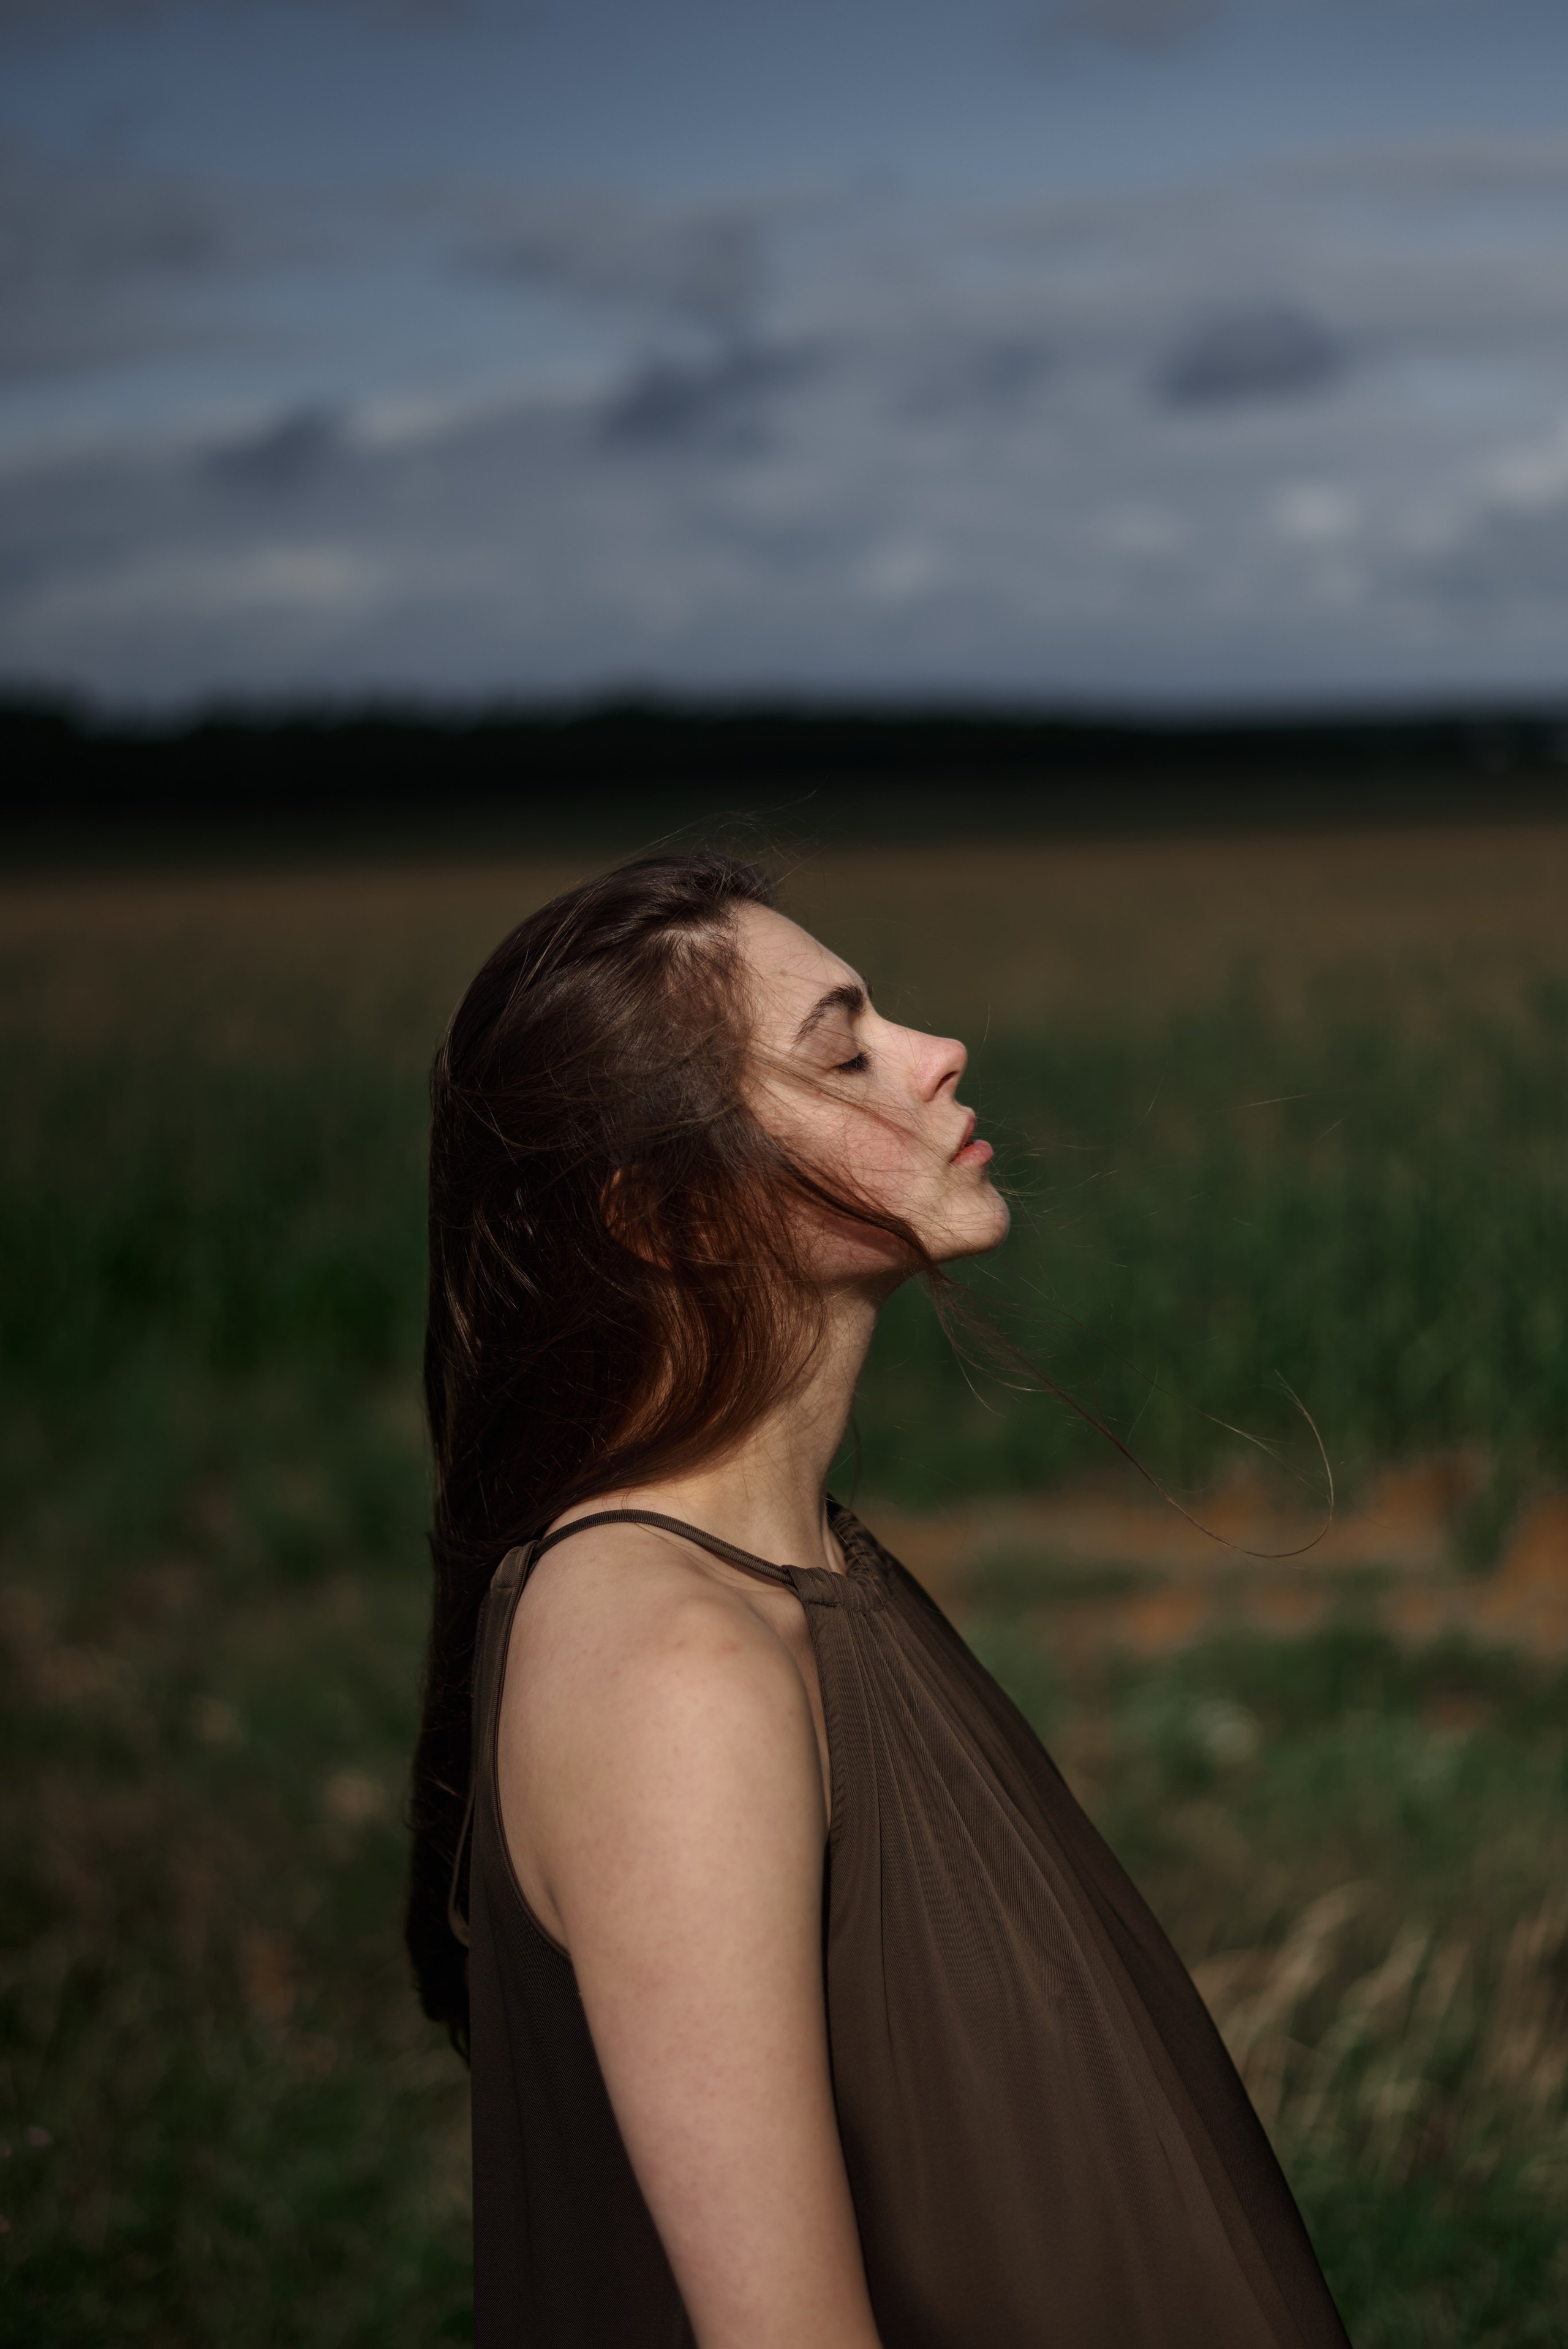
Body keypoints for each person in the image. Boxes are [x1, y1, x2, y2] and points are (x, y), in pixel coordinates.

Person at [406, 850, 1350, 2349]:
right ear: (672, 1218)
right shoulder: (677, 1670)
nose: (933, 1053)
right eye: (842, 1048)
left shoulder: (813, 1572)